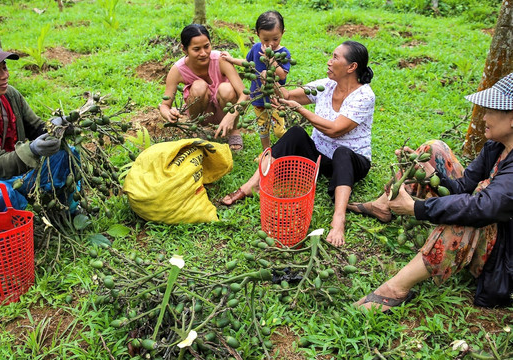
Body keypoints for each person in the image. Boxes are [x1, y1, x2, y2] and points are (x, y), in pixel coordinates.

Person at [353, 73, 513, 311]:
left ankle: (396, 288)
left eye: (491, 110)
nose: (484, 116)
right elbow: (463, 187)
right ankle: (383, 205)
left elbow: (482, 208)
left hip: (503, 255)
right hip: (491, 225)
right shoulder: (496, 147)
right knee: (434, 148)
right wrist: (428, 174)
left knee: (465, 218)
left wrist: (416, 208)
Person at [221, 40, 375, 247]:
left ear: (352, 67)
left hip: (351, 162)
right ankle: (251, 185)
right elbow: (287, 95)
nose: (329, 62)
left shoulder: (364, 96)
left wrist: (300, 110)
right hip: (320, 158)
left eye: (335, 57)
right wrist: (270, 76)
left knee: (343, 153)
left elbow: (336, 129)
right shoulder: (327, 86)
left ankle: (339, 219)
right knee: (294, 133)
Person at [0, 38, 74, 212]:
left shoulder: (10, 95)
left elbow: (36, 129)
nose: (5, 75)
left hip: (21, 174)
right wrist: (32, 149)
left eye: (4, 67)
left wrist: (60, 127)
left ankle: (64, 210)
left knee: (66, 153)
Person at [159, 24, 249, 151]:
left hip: (225, 110)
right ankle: (197, 129)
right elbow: (164, 105)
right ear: (184, 49)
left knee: (226, 89)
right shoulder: (178, 70)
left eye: (207, 46)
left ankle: (234, 131)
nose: (203, 53)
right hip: (200, 113)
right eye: (196, 49)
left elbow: (244, 94)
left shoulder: (220, 60)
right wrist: (168, 114)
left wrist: (231, 116)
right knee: (199, 86)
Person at [221, 10, 291, 150]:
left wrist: (270, 59)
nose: (270, 44)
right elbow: (247, 63)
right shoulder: (255, 48)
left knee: (278, 131)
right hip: (258, 97)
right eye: (265, 40)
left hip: (275, 99)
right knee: (263, 128)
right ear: (257, 34)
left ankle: (286, 148)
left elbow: (282, 75)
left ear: (283, 32)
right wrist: (231, 59)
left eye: (275, 39)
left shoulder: (283, 53)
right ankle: (266, 152)